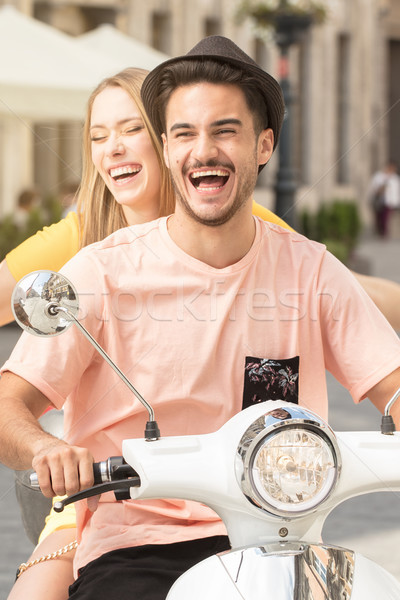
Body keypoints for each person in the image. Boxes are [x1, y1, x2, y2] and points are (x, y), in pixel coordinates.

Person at [1, 36, 400, 599]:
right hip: (137, 545)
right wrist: (46, 449)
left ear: (263, 145)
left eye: (225, 131)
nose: (203, 149)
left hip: (281, 540)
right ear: (166, 150)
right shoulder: (99, 271)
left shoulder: (309, 268)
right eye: (184, 133)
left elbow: (392, 383)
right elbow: (10, 401)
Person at [3, 65, 291, 600]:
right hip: (112, 499)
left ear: (167, 137)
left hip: (232, 495)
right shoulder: (82, 240)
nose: (112, 147)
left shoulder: (239, 222)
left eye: (129, 128)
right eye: (97, 135)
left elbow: (339, 291)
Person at [369, 160, 400, 237]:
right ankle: (380, 231)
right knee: (378, 218)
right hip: (379, 201)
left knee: (385, 218)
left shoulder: (395, 178)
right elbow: (373, 188)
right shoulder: (379, 176)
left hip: (389, 202)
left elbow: (397, 191)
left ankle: (384, 234)